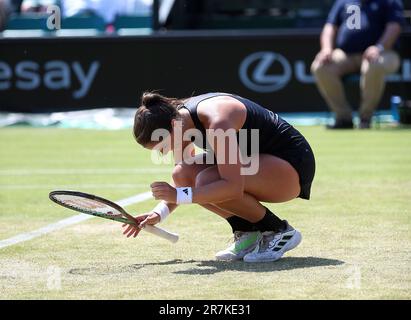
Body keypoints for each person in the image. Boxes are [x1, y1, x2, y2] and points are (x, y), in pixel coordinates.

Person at [122, 92, 316, 263]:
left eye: (163, 146)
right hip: (262, 163)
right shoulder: (179, 120)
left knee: (207, 181)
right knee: (182, 173)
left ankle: (279, 231)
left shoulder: (218, 123)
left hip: (292, 168)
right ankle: (248, 233)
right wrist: (159, 213)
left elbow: (231, 187)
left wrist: (178, 195)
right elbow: (183, 181)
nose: (164, 153)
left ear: (173, 126)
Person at [311, 0, 404, 129]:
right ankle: (343, 117)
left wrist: (379, 47)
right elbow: (330, 27)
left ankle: (365, 117)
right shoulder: (342, 2)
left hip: (384, 53)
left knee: (374, 64)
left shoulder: (389, 1)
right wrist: (326, 49)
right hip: (346, 55)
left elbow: (394, 27)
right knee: (321, 67)